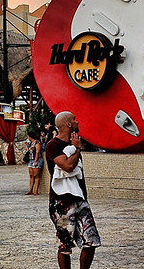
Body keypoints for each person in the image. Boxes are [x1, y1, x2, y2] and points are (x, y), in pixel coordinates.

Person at [46, 111, 100, 269]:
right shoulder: (53, 145)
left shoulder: (74, 143)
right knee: (65, 245)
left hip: (79, 199)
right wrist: (76, 149)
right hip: (61, 202)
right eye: (74, 120)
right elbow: (68, 166)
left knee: (91, 240)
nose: (77, 122)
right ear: (68, 124)